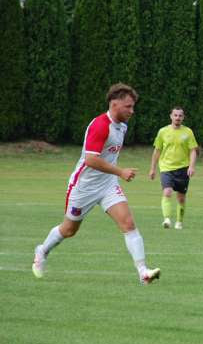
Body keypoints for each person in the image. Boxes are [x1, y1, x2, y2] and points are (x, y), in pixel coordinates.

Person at [32, 83, 161, 284]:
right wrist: (121, 171)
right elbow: (90, 160)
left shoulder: (122, 126)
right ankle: (42, 251)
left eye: (133, 106)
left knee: (128, 223)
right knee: (69, 230)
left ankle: (143, 272)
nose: (132, 111)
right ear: (114, 103)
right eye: (128, 106)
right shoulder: (100, 125)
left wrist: (115, 175)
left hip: (108, 185)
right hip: (83, 187)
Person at [148, 106, 199, 230]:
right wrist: (153, 169)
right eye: (175, 115)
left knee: (181, 198)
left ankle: (179, 222)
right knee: (167, 192)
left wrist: (191, 166)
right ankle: (166, 219)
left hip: (183, 168)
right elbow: (157, 151)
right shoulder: (162, 132)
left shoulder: (188, 132)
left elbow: (193, 150)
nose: (177, 118)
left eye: (180, 115)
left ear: (183, 117)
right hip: (166, 168)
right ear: (171, 116)